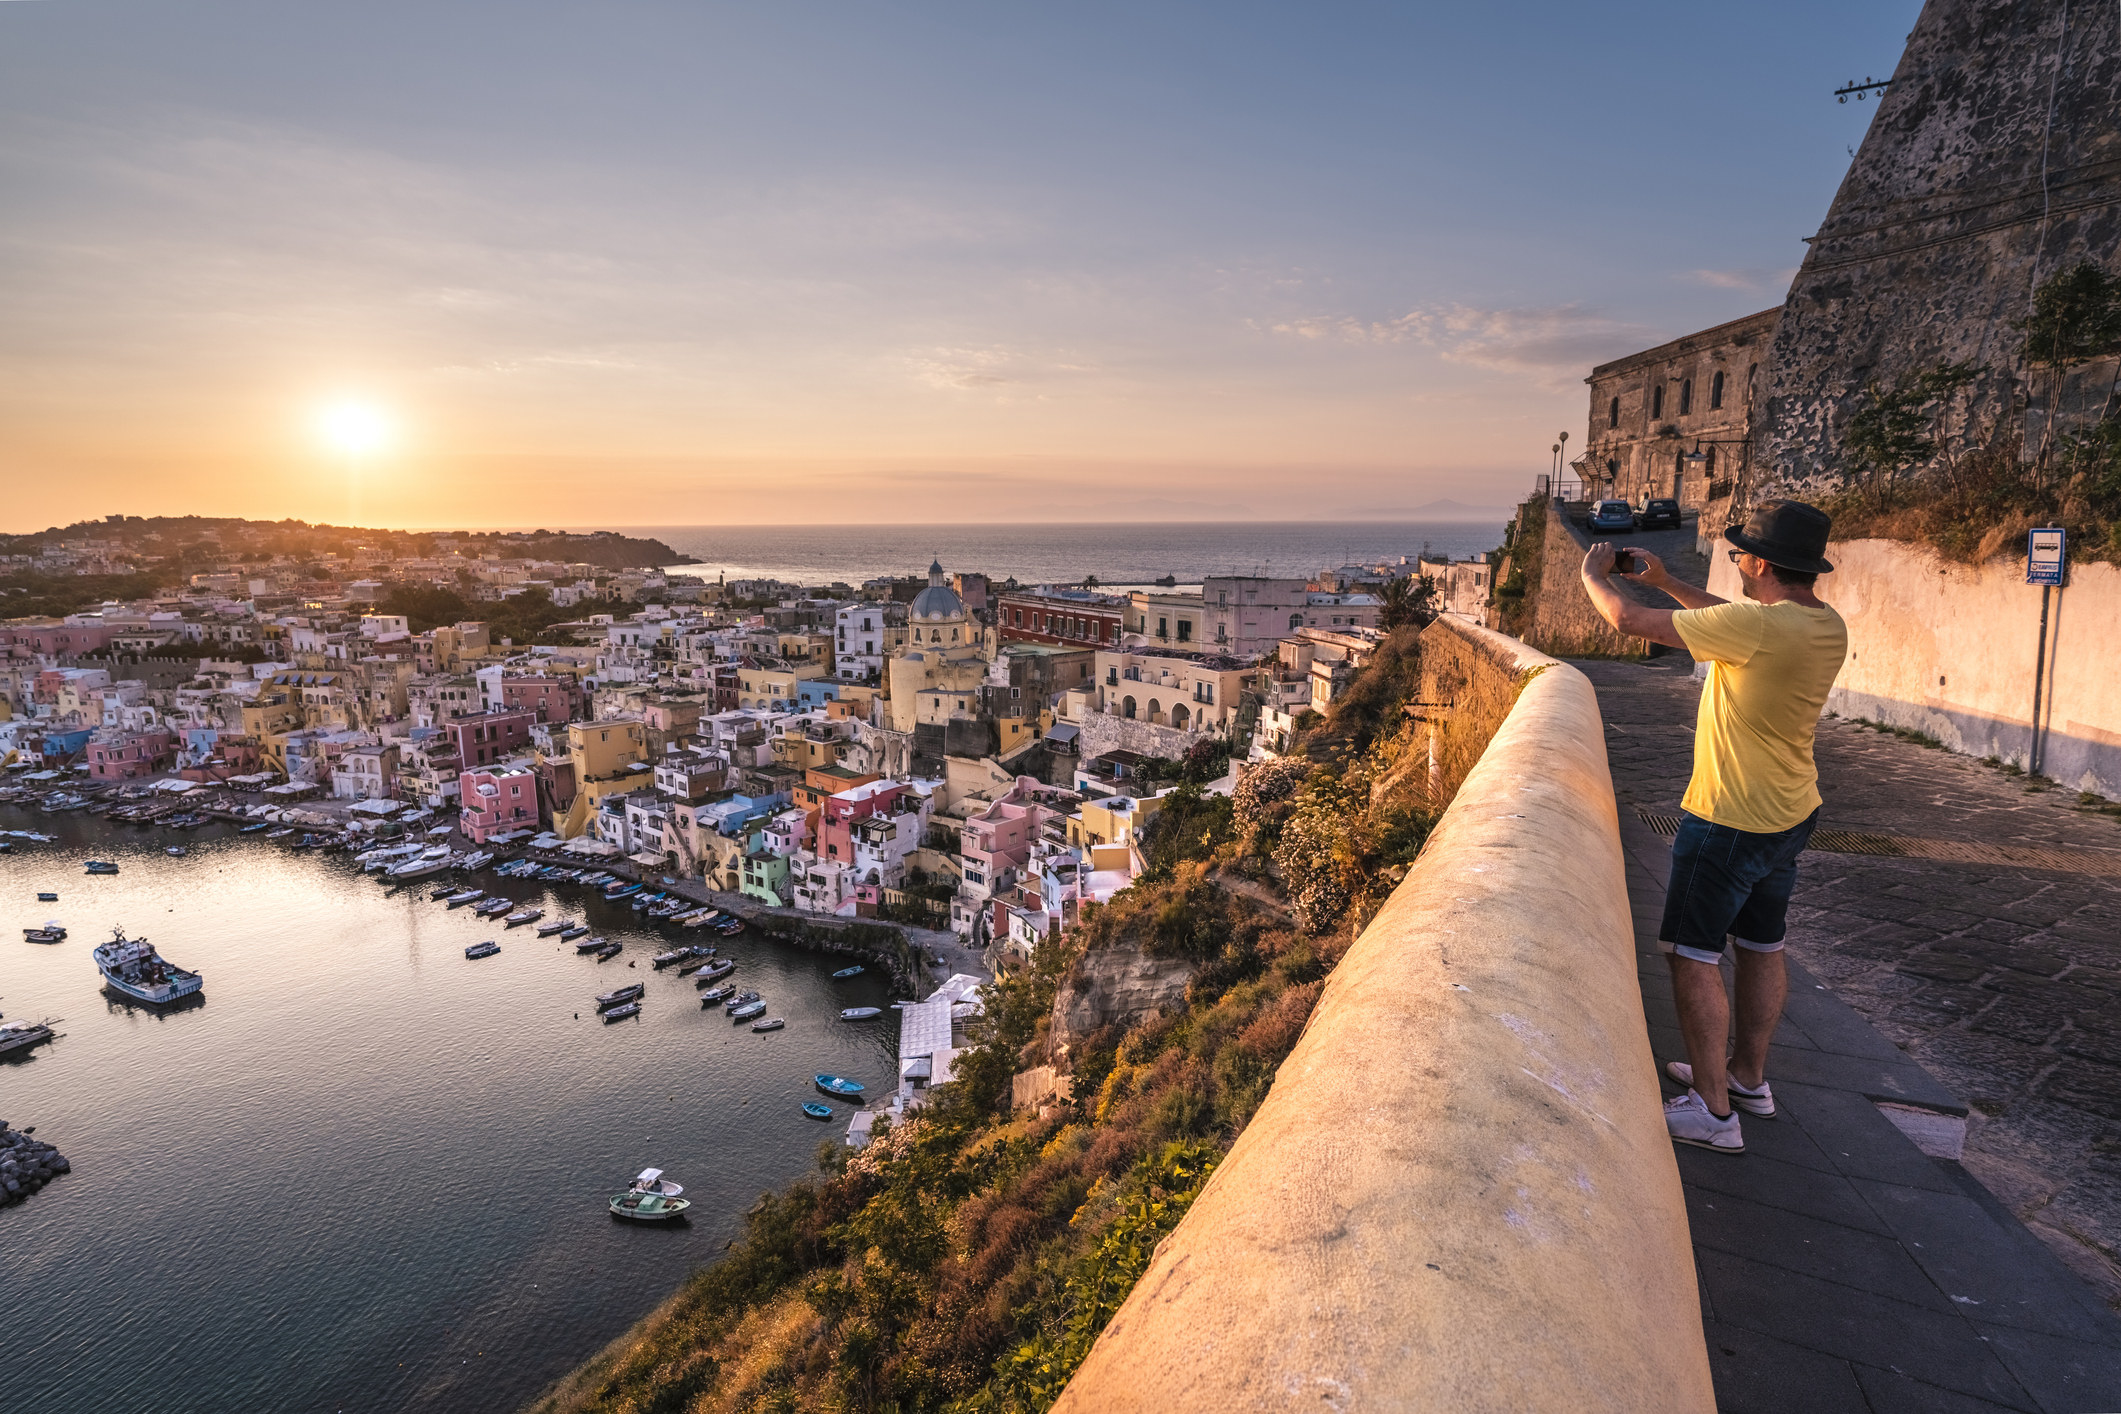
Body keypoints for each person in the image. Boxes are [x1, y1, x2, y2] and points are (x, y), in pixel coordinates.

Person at [1579, 499, 1848, 1154]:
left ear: (1758, 562)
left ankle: (1711, 1108)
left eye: (1738, 557)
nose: (1736, 566)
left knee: (1691, 956)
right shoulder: (1823, 624)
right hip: (1788, 812)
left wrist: (1594, 574)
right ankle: (1747, 1079)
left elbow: (1624, 620)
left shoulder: (1757, 627)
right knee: (1762, 946)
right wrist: (1667, 580)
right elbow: (1727, 624)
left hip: (1728, 816)